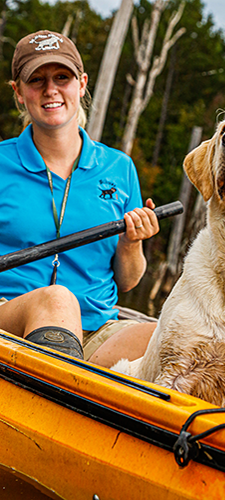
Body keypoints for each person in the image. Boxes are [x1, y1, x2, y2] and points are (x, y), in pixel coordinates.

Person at [0, 30, 159, 364]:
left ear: (82, 83)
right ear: (18, 93)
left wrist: (132, 243)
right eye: (36, 80)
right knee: (56, 300)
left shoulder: (119, 167)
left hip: (97, 330)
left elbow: (128, 281)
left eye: (62, 77)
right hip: (10, 322)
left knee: (173, 336)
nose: (50, 90)